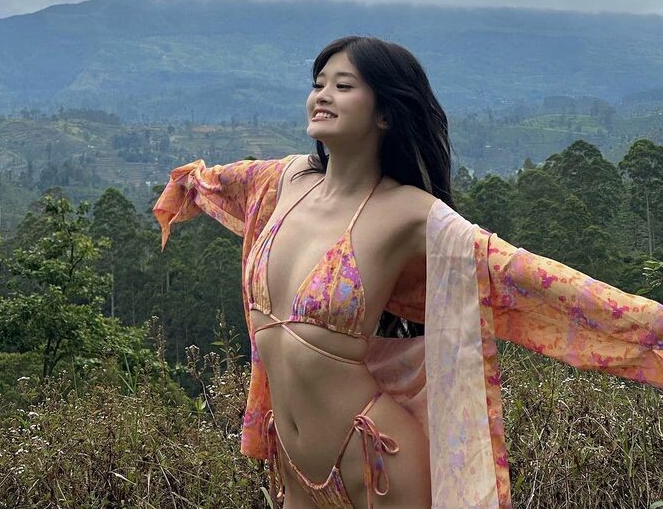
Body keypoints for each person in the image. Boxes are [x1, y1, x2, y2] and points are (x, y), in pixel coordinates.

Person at [153, 35, 663, 509]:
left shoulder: (410, 213)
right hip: (291, 462)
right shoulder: (281, 180)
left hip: (374, 457)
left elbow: (537, 282)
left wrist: (651, 330)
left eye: (343, 86)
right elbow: (211, 183)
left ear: (385, 113)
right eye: (318, 83)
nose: (322, 95)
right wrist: (183, 191)